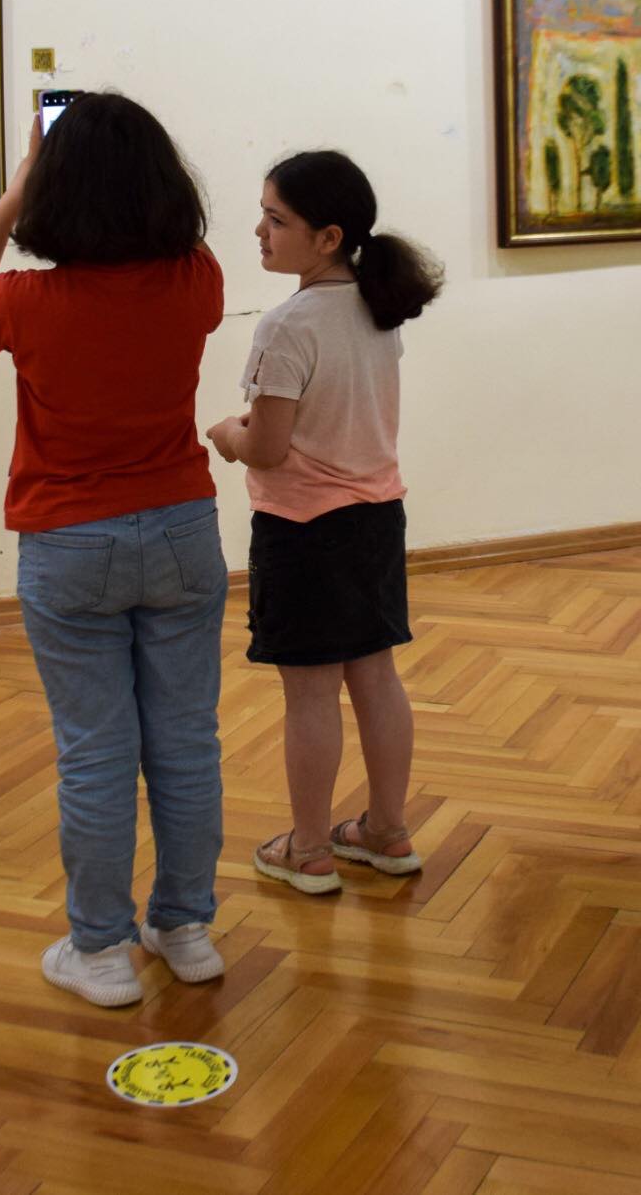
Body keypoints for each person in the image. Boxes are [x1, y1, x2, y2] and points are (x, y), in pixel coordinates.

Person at [0, 95, 227, 1008]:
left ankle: (100, 950)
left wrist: (16, 189)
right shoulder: (197, 279)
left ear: (54, 190)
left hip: (68, 542)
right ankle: (185, 928)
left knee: (97, 753)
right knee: (186, 742)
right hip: (182, 531)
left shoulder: (24, 303)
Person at [207, 150, 442, 892]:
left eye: (276, 219)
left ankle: (308, 848)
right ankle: (388, 831)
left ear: (328, 237)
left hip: (304, 531)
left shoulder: (287, 326)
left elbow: (268, 449)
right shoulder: (377, 309)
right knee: (376, 676)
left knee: (310, 692)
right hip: (376, 520)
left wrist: (227, 434)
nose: (259, 230)